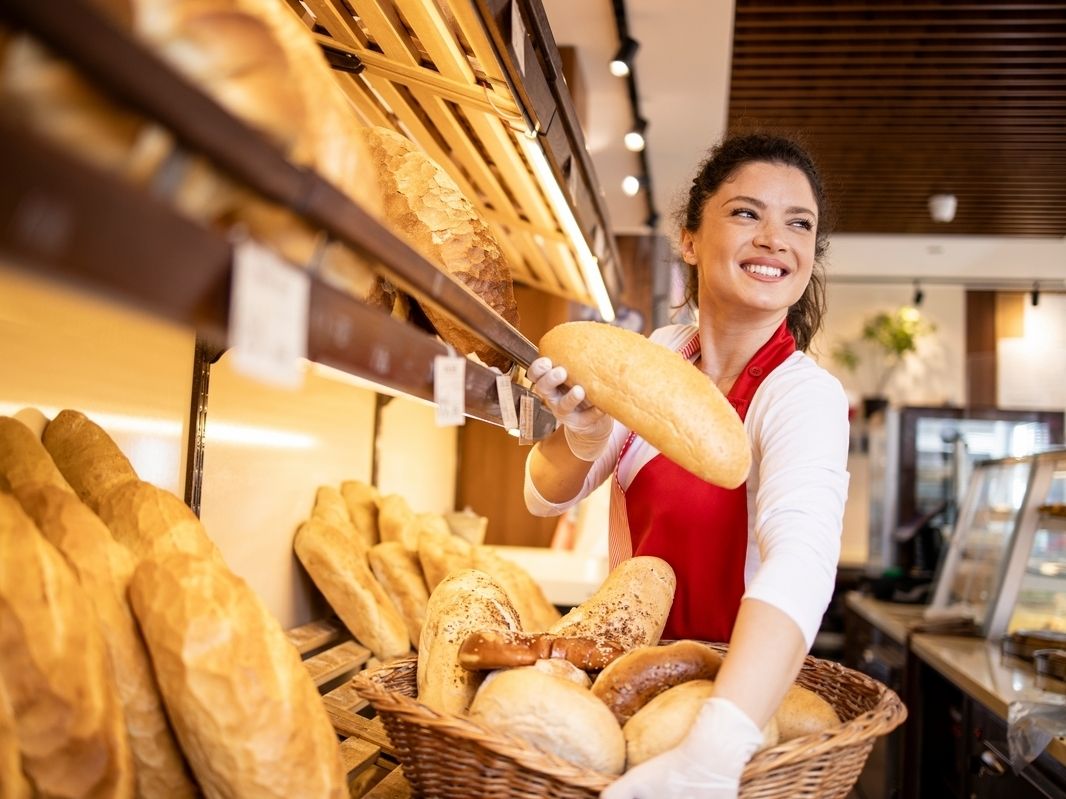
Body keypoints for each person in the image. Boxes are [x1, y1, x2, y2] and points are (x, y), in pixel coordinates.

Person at [523, 132, 850, 799]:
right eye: (746, 212)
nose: (774, 239)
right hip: (625, 694)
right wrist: (583, 436)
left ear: (811, 256)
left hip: (728, 719)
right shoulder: (659, 358)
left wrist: (715, 750)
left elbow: (801, 560)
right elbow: (543, 495)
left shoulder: (801, 395)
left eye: (799, 223)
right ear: (689, 238)